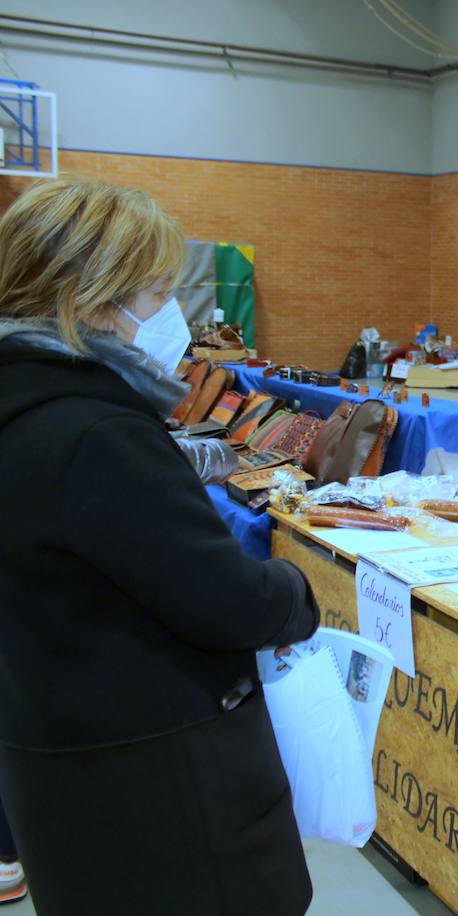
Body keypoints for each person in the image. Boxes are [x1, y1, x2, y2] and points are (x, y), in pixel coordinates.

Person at [0, 179, 320, 914]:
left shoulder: (25, 405)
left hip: (58, 769)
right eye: (153, 294)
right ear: (93, 298)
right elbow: (225, 602)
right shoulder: (94, 433)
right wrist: (297, 595)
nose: (166, 314)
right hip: (156, 793)